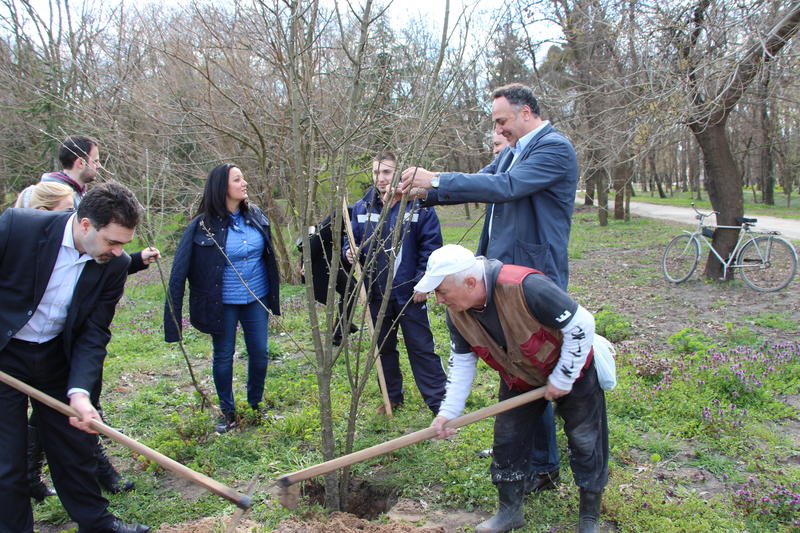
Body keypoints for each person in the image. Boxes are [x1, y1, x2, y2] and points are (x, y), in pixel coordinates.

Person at [400, 83, 579, 492]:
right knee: (516, 369)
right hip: (500, 275)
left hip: (533, 275)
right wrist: (423, 193)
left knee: (535, 368)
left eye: (502, 121)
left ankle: (544, 465)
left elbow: (507, 188)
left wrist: (438, 177)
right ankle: (526, 454)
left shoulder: (553, 148)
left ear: (527, 113)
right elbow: (485, 181)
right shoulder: (517, 151)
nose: (498, 129)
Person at [417, 245, 607, 533]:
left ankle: (589, 519)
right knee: (508, 440)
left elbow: (581, 324)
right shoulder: (458, 313)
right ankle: (509, 512)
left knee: (585, 440)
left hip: (574, 370)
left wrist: (564, 376)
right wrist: (448, 413)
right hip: (519, 377)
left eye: (442, 291)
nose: (439, 300)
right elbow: (463, 363)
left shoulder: (525, 286)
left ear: (470, 282)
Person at [0, 182, 150, 533]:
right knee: (7, 457)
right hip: (5, 354)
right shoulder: (17, 229)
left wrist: (79, 391)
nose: (117, 252)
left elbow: (94, 333)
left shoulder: (115, 265)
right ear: (85, 225)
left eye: (124, 244)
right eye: (111, 242)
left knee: (74, 445)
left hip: (55, 355)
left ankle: (97, 524)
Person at [165, 163, 281, 434]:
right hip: (222, 302)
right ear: (222, 187)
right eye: (237, 179)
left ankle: (255, 405)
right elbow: (178, 272)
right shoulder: (202, 226)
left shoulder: (256, 216)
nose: (245, 183)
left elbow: (269, 258)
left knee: (260, 354)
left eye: (243, 178)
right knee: (223, 355)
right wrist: (173, 324)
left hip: (257, 297)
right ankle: (227, 412)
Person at [343, 152, 447, 415]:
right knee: (383, 348)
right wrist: (349, 251)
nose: (380, 178)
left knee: (421, 347)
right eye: (376, 173)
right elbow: (351, 240)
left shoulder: (418, 207)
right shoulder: (361, 208)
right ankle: (392, 397)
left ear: (398, 173)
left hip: (411, 293)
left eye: (386, 172)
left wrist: (424, 284)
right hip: (376, 293)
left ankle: (439, 402)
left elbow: (431, 249)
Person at [296, 207, 357, 346]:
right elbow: (313, 244)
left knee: (352, 288)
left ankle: (343, 323)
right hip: (323, 267)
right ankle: (339, 332)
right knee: (350, 289)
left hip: (333, 264)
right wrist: (305, 264)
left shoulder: (348, 224)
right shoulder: (330, 225)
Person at [18, 135, 102, 210]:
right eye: (95, 161)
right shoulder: (53, 197)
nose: (99, 166)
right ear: (80, 163)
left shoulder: (81, 195)